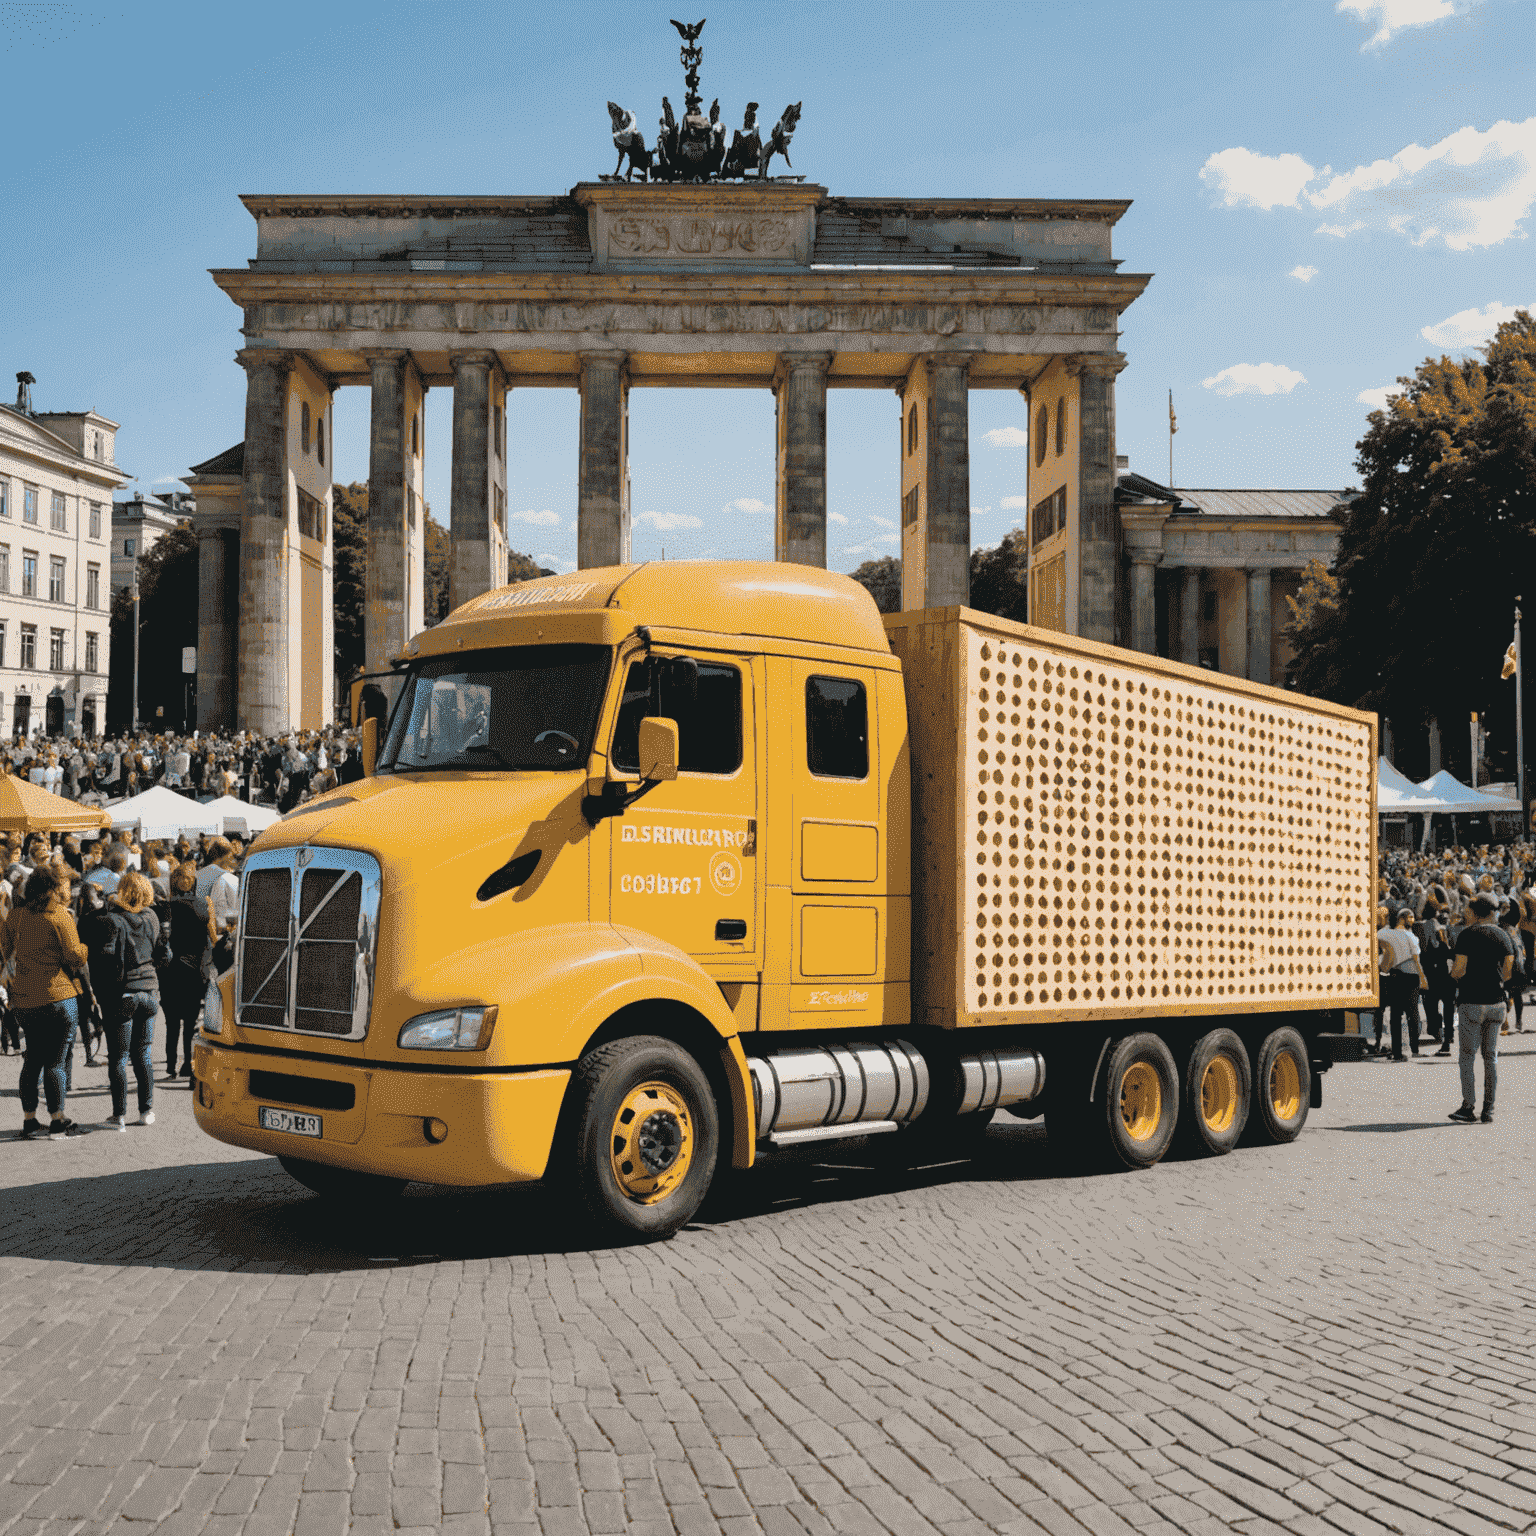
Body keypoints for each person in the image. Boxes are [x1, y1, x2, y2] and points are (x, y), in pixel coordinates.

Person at [1, 863, 91, 1137]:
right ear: (53, 889)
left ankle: (29, 1119)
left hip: (24, 999)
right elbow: (75, 957)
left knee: (32, 1060)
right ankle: (57, 1117)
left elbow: (5, 950)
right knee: (55, 1061)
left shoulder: (15, 917)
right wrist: (85, 947)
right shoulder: (60, 916)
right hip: (57, 995)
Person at [95, 871, 166, 1129]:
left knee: (118, 1057)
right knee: (143, 1054)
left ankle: (119, 1115)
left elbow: (107, 959)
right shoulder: (152, 917)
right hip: (149, 990)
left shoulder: (113, 920)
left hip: (124, 991)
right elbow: (162, 953)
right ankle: (146, 1110)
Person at [1448, 894, 1514, 1124]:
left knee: (1467, 1056)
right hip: (1496, 1001)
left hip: (1472, 1001)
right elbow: (1508, 970)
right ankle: (1489, 1110)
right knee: (1491, 1057)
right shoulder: (1502, 935)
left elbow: (1459, 969)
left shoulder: (1467, 934)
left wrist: (1454, 976)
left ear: (1475, 912)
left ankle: (1468, 1107)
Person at [162, 862, 210, 1080]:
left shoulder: (167, 906)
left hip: (172, 970)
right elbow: (211, 937)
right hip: (195, 969)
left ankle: (171, 1065)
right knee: (190, 1023)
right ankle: (188, 1063)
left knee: (172, 1021)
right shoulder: (203, 905)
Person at [1376, 905, 1424, 1059]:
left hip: (1393, 975)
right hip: (1411, 976)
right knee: (1413, 1013)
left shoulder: (1382, 933)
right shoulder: (1410, 936)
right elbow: (1416, 959)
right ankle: (1415, 1049)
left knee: (1395, 1015)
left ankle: (1397, 1052)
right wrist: (1423, 977)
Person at [1419, 913, 1457, 1054]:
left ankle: (1439, 1032)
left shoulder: (1426, 948)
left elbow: (1423, 963)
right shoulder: (1448, 947)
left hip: (1433, 982)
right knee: (1448, 1010)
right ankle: (1448, 1036)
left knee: (1433, 1008)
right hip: (1447, 981)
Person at [1498, 907, 1525, 1033]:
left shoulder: (1503, 933)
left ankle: (1505, 1022)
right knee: (1517, 994)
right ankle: (1518, 1021)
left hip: (1508, 965)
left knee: (1503, 993)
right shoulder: (1516, 932)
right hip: (1519, 966)